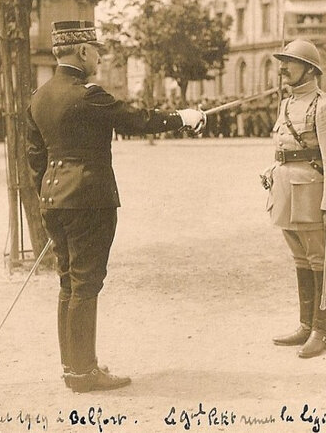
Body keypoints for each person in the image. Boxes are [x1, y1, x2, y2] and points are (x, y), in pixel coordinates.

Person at [25, 20, 206, 393]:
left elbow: (35, 158)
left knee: (67, 282)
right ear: (83, 52)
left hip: (54, 200)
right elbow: (137, 121)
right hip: (89, 200)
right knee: (86, 283)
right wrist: (183, 119)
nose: (100, 57)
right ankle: (84, 372)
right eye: (97, 51)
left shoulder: (38, 97)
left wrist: (50, 197)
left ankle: (72, 365)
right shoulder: (88, 95)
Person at [262, 39, 326, 359]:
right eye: (282, 61)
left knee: (318, 259)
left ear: (310, 69)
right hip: (286, 191)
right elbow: (286, 150)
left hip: (312, 194)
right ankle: (305, 325)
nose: (283, 67)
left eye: (290, 62)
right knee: (300, 258)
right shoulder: (286, 104)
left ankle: (321, 331)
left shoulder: (325, 107)